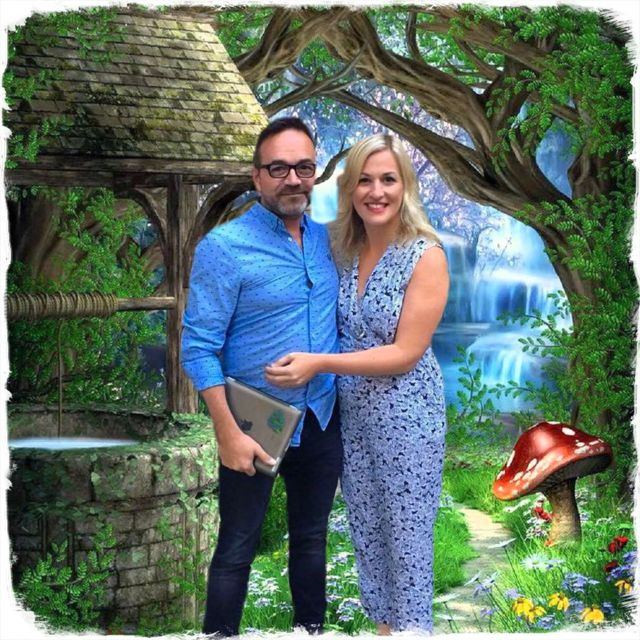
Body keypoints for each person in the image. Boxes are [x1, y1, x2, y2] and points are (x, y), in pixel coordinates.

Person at [266, 133, 449, 634]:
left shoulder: (426, 255)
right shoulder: (344, 248)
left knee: (407, 549)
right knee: (369, 542)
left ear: (405, 186)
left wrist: (318, 364)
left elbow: (405, 354)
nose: (376, 191)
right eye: (364, 180)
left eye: (388, 179)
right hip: (354, 421)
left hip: (408, 421)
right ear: (349, 189)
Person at [181, 117, 343, 637]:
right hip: (253, 425)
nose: (292, 179)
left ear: (315, 173)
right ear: (256, 176)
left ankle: (309, 631)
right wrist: (227, 432)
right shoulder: (224, 248)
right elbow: (198, 347)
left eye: (304, 167)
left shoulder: (328, 242)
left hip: (321, 416)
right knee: (236, 548)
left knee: (312, 541)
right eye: (278, 168)